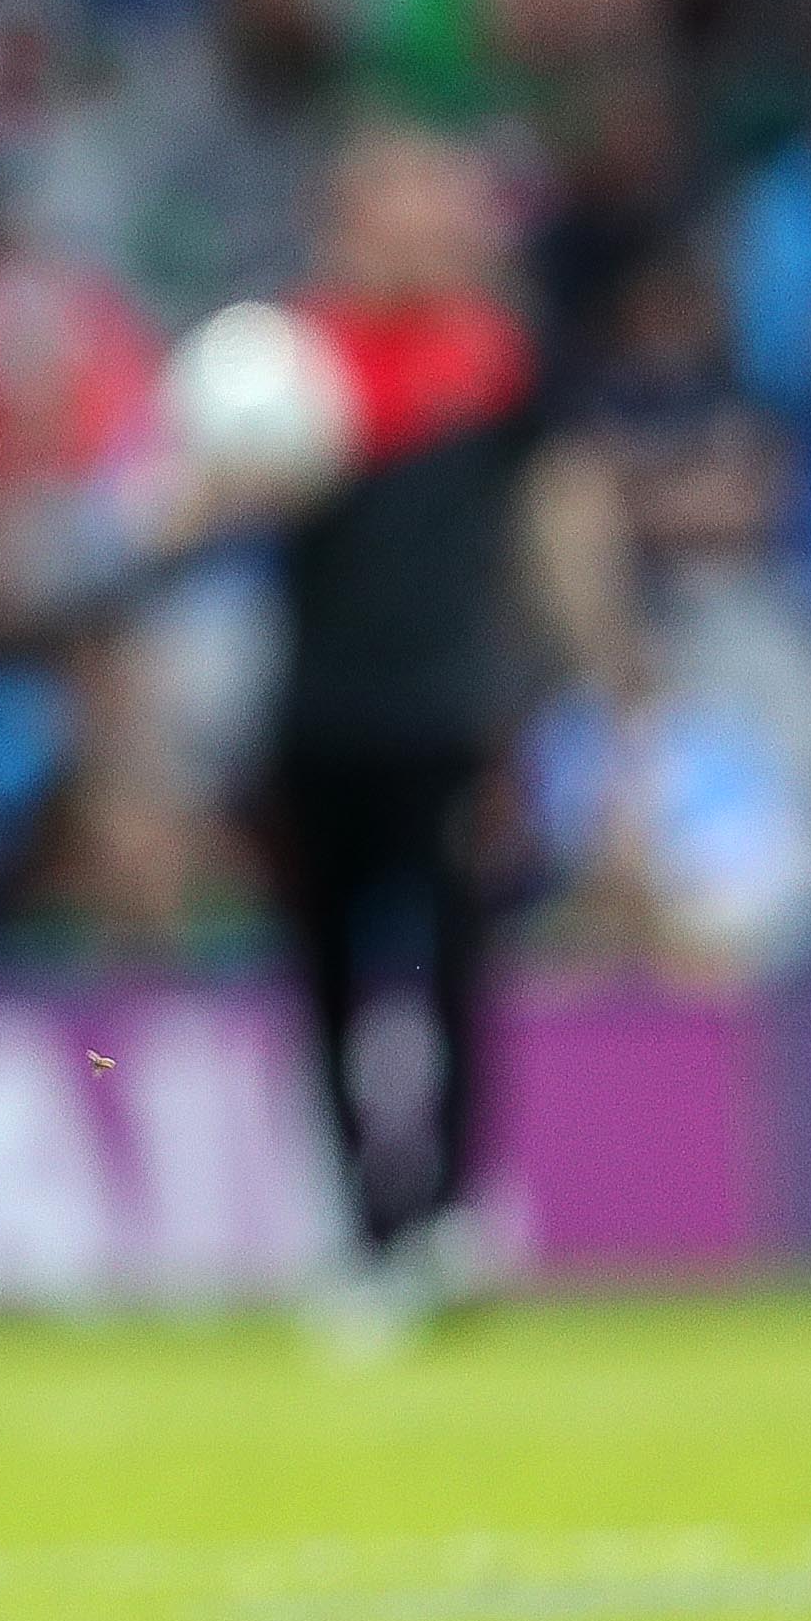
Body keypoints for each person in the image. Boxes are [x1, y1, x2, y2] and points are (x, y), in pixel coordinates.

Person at [262, 126, 552, 1334]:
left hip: (447, 711)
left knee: (453, 964)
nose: (419, 225)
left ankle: (449, 1213)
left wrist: (563, 679)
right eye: (394, 202)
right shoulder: (288, 360)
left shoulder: (490, 355)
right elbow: (203, 501)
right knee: (330, 974)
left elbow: (543, 518)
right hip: (320, 712)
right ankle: (360, 1224)